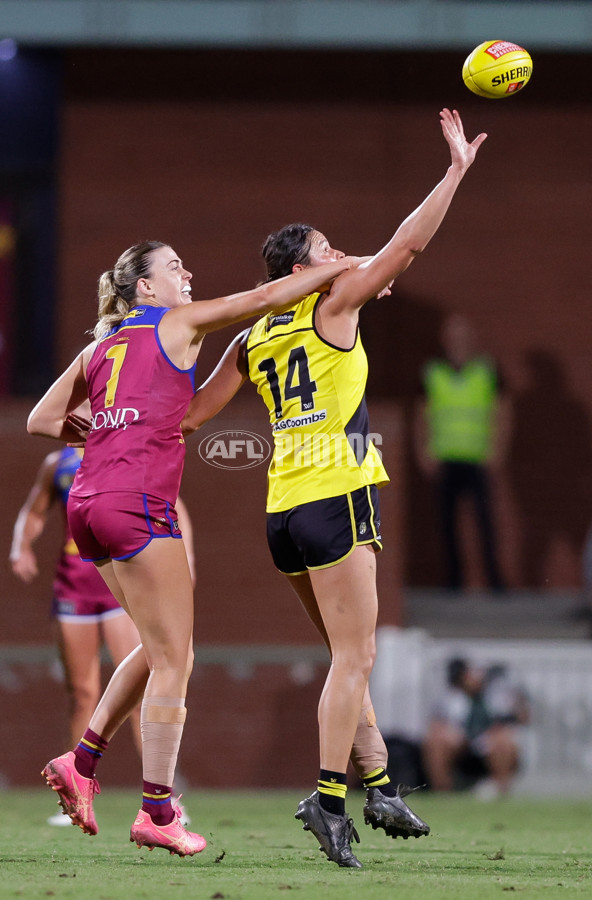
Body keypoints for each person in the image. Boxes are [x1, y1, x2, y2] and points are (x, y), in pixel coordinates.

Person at [180, 108, 487, 867]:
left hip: (283, 510)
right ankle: (327, 798)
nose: (343, 256)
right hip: (338, 494)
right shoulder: (332, 305)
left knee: (347, 658)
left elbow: (192, 415)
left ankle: (379, 783)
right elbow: (409, 243)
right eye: (327, 250)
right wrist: (453, 173)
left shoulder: (255, 333)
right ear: (300, 271)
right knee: (354, 659)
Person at [27, 241, 352, 857]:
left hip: (88, 508)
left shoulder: (100, 346)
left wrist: (95, 430)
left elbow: (40, 421)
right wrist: (343, 266)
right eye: (174, 267)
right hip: (137, 503)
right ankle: (156, 810)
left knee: (157, 648)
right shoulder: (176, 321)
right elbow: (263, 299)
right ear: (145, 289)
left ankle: (82, 763)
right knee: (179, 658)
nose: (188, 274)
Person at [9, 440, 194, 826]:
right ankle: (75, 793)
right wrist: (21, 546)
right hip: (73, 585)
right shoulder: (58, 464)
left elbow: (172, 505)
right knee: (82, 694)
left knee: (145, 681)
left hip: (116, 581)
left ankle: (162, 792)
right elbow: (34, 509)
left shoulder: (126, 454)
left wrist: (185, 559)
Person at [414, 313, 511, 592]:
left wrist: (498, 449)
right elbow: (420, 415)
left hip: (479, 458)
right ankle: (453, 583)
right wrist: (422, 450)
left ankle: (494, 582)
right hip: (444, 458)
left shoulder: (487, 370)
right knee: (446, 526)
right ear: (446, 339)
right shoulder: (433, 372)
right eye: (454, 336)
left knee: (486, 524)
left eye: (464, 335)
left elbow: (503, 411)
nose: (460, 341)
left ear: (473, 339)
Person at [421, 657, 529, 797]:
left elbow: (521, 717)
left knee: (503, 740)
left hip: (490, 743)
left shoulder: (497, 696)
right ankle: (442, 793)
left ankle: (501, 792)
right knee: (437, 740)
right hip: (460, 743)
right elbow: (437, 724)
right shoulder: (450, 698)